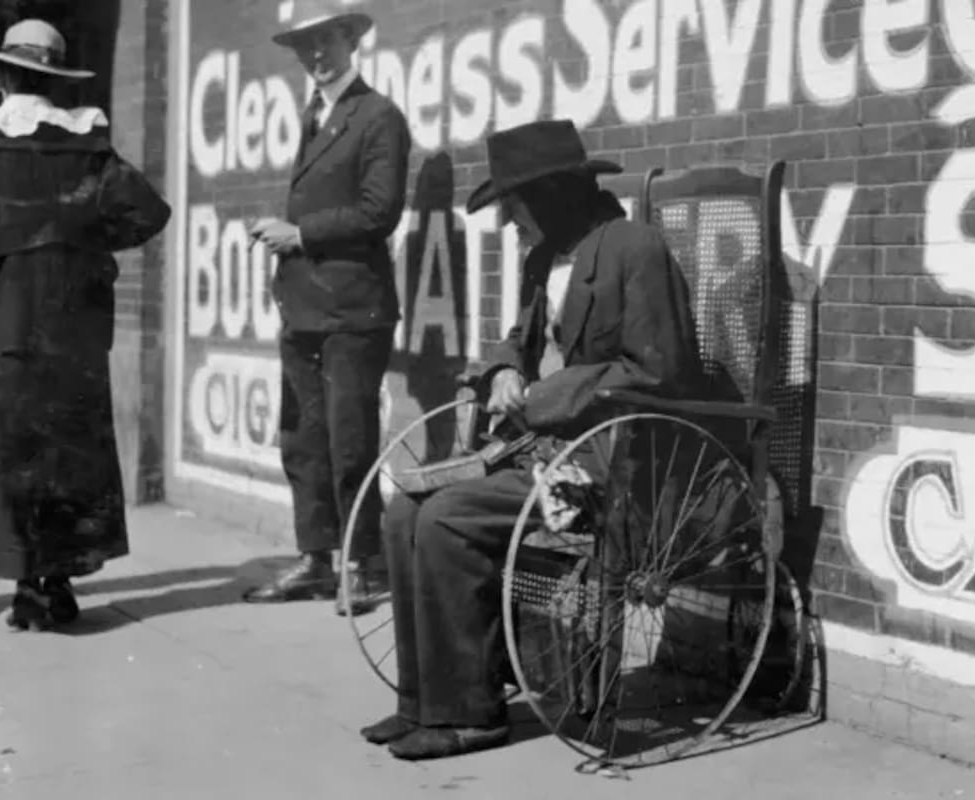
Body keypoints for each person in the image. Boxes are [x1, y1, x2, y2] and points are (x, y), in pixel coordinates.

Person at [362, 119, 705, 760]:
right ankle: (423, 701)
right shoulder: (546, 258)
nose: (508, 220)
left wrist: (544, 397)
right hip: (538, 454)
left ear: (550, 193)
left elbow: (659, 372)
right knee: (404, 512)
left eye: (513, 205)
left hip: (607, 467)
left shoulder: (635, 251)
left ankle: (472, 714)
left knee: (447, 518)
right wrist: (501, 371)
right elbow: (518, 343)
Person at [0, 19, 171, 631]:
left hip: (1, 318)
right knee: (67, 452)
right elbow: (148, 212)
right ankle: (60, 583)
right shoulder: (87, 143)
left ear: (5, 74)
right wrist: (88, 245)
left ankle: (24, 588)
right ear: (55, 79)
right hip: (74, 320)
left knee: (9, 450)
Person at [245, 0, 411, 615]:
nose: (316, 55)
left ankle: (366, 565)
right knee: (303, 441)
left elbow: (379, 212)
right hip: (308, 309)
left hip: (353, 312)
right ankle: (316, 559)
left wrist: (299, 234)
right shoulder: (320, 113)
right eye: (304, 46)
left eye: (326, 41)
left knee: (349, 442)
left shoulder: (378, 116)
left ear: (351, 40)